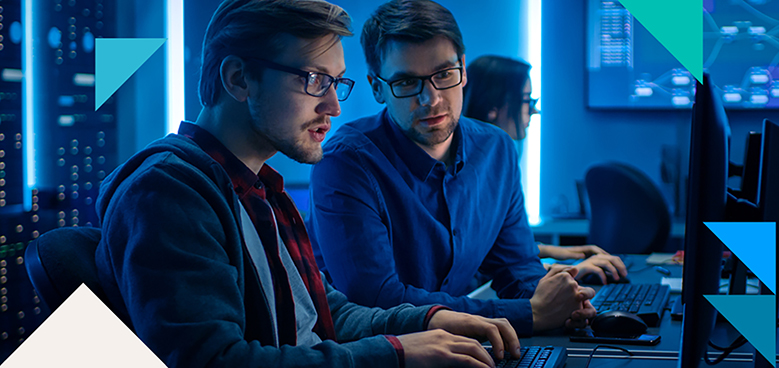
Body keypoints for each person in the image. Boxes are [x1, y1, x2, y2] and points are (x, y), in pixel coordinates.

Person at [95, 1, 522, 367]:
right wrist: (395, 354)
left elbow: (321, 313)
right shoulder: (169, 192)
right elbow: (216, 362)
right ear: (239, 79)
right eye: (315, 79)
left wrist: (426, 321)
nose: (334, 106)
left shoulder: (253, 188)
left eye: (336, 83)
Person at [307, 0, 597, 338]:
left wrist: (561, 305)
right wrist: (528, 313)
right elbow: (377, 299)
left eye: (443, 74)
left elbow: (516, 268)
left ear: (463, 71)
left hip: (456, 348)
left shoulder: (496, 150)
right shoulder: (346, 162)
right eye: (405, 82)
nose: (431, 99)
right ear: (377, 88)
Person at [463, 55, 628, 284]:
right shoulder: (467, 171)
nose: (533, 112)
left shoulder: (496, 162)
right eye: (526, 101)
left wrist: (554, 252)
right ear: (493, 107)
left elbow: (500, 245)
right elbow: (481, 264)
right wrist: (570, 270)